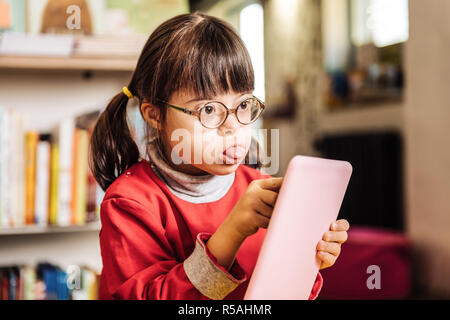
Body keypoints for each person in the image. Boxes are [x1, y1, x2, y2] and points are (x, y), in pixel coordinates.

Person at [89, 12, 350, 300]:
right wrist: (233, 231)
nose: (233, 126)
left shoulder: (258, 189)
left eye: (242, 105)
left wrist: (305, 260)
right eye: (209, 110)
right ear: (155, 115)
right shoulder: (130, 202)